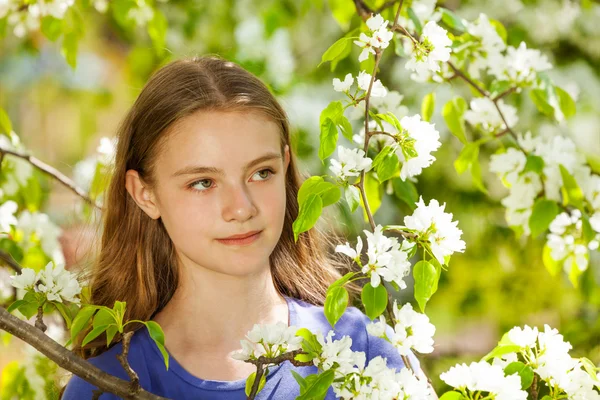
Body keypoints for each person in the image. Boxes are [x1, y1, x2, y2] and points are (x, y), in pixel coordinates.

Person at [61, 55, 423, 399]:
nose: (241, 208)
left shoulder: (364, 348)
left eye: (261, 173)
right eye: (203, 182)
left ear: (284, 166)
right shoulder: (107, 384)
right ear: (145, 194)